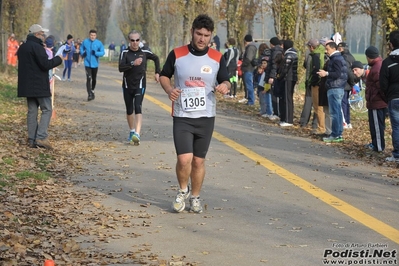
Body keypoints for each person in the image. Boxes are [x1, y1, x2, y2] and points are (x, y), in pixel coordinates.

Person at [159, 14, 230, 213]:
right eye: (198, 34)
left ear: (211, 36)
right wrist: (169, 89)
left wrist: (224, 86)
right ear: (192, 32)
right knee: (184, 159)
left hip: (206, 116)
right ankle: (183, 190)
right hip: (182, 115)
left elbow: (225, 80)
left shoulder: (217, 57)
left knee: (198, 161)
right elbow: (164, 75)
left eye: (206, 35)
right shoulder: (177, 53)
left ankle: (196, 197)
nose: (202, 39)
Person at [17, 24, 63, 149]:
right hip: (39, 85)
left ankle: (32, 139)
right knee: (47, 109)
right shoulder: (37, 47)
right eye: (42, 34)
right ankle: (41, 137)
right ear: (37, 34)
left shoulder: (23, 48)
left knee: (32, 111)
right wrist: (59, 59)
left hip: (26, 86)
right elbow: (45, 64)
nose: (44, 36)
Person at [118, 30, 161, 145]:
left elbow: (156, 58)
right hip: (127, 85)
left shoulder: (144, 52)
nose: (135, 43)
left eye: (137, 40)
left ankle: (137, 134)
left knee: (138, 106)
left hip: (140, 84)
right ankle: (132, 131)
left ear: (139, 40)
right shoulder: (125, 53)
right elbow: (121, 68)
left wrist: (158, 72)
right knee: (129, 109)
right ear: (129, 41)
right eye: (132, 40)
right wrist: (133, 63)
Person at [317, 41, 348, 143]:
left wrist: (326, 73)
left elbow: (337, 73)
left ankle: (335, 134)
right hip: (337, 87)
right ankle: (338, 133)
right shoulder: (338, 58)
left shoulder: (336, 59)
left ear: (333, 48)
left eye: (327, 49)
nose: (326, 51)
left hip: (335, 87)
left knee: (334, 113)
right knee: (337, 112)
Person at [380, 30, 399, 163]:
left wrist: (387, 96)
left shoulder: (387, 62)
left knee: (397, 127)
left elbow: (383, 83)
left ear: (391, 44)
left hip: (394, 97)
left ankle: (397, 155)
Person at [305, 38, 326, 134]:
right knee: (319, 106)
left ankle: (321, 128)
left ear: (312, 47)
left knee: (318, 106)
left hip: (317, 84)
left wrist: (312, 82)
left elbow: (315, 71)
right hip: (321, 83)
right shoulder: (321, 53)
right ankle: (321, 127)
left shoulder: (316, 56)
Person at [277, 40, 298, 127]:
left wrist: (280, 76)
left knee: (287, 98)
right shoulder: (294, 53)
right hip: (292, 78)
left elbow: (285, 68)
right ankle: (286, 118)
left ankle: (288, 120)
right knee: (288, 98)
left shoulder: (289, 55)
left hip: (288, 78)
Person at [80, 29, 105, 101]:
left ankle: (93, 90)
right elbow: (81, 48)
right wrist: (82, 53)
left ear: (96, 36)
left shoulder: (99, 43)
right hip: (87, 63)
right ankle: (89, 94)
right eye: (91, 35)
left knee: (94, 79)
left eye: (94, 35)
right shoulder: (85, 42)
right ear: (89, 35)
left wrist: (96, 53)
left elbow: (102, 52)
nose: (92, 37)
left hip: (95, 64)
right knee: (89, 78)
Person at [337, 42, 356, 129]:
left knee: (343, 103)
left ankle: (344, 122)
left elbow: (347, 71)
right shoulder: (351, 57)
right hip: (349, 83)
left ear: (341, 49)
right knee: (346, 103)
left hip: (345, 83)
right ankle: (348, 121)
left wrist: (352, 83)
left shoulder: (344, 58)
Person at [264, 37, 283, 120]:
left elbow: (274, 65)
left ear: (272, 44)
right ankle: (275, 112)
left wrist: (271, 76)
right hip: (275, 75)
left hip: (274, 76)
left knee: (274, 95)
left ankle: (276, 113)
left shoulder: (275, 51)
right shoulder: (280, 50)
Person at [241, 34, 257, 105]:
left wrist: (243, 64)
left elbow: (249, 58)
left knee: (249, 85)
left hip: (248, 68)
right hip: (249, 68)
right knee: (249, 84)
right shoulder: (252, 46)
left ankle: (251, 101)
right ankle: (250, 100)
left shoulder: (250, 47)